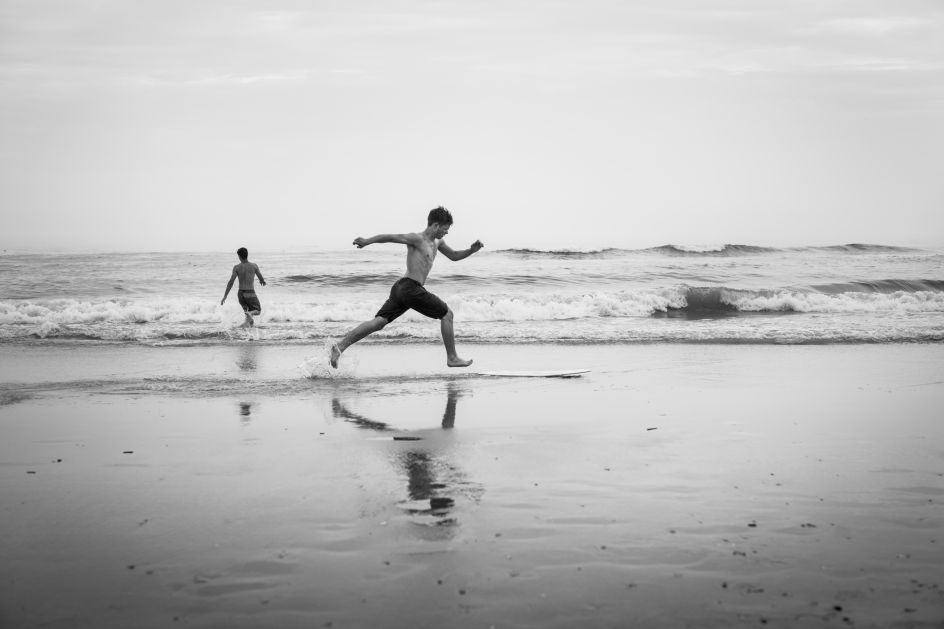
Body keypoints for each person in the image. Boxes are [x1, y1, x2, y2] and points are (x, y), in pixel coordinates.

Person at [330, 206, 483, 369]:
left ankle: (339, 347)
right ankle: (452, 358)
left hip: (402, 289)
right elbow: (390, 237)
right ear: (436, 225)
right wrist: (367, 241)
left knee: (379, 322)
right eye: (445, 229)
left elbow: (454, 256)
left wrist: (471, 250)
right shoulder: (416, 239)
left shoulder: (438, 242)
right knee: (447, 314)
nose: (446, 233)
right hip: (410, 288)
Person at [221, 247, 266, 327]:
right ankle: (251, 314)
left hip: (241, 294)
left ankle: (245, 332)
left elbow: (231, 282)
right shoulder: (254, 266)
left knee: (248, 317)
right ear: (247, 255)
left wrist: (225, 296)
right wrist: (262, 281)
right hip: (250, 293)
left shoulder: (236, 267)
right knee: (258, 311)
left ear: (239, 256)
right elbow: (261, 278)